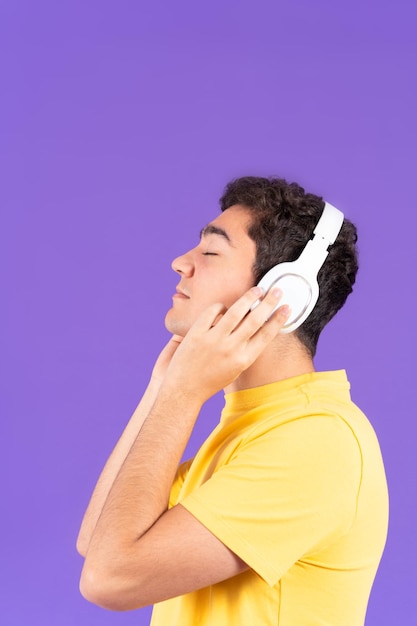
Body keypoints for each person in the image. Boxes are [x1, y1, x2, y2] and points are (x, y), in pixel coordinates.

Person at [77, 176, 389, 626]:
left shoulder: (318, 441)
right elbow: (96, 541)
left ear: (285, 292)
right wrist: (163, 390)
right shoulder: (251, 427)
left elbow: (109, 578)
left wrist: (183, 394)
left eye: (210, 251)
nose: (180, 263)